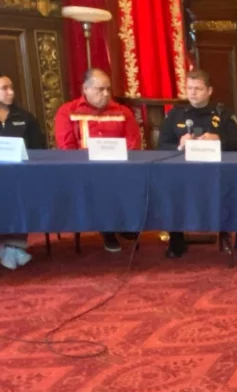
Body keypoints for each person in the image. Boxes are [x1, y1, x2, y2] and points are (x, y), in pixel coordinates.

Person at [157, 68, 237, 258]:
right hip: (181, 174)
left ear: (209, 91)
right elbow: (161, 145)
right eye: (189, 88)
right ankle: (176, 238)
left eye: (198, 88)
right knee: (166, 186)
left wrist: (219, 141)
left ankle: (227, 232)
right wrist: (179, 145)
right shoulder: (175, 114)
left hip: (214, 174)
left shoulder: (222, 114)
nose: (193, 93)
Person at [55, 68, 141, 253]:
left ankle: (123, 223)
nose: (106, 94)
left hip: (119, 167)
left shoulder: (123, 112)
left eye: (108, 89)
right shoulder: (67, 111)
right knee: (99, 180)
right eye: (100, 89)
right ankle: (107, 228)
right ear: (85, 89)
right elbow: (66, 146)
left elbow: (134, 144)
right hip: (83, 169)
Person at [0, 73, 46, 270]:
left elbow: (39, 150)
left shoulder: (25, 118)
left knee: (21, 193)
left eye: (12, 87)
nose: (11, 92)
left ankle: (13, 245)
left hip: (20, 178)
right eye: (4, 88)